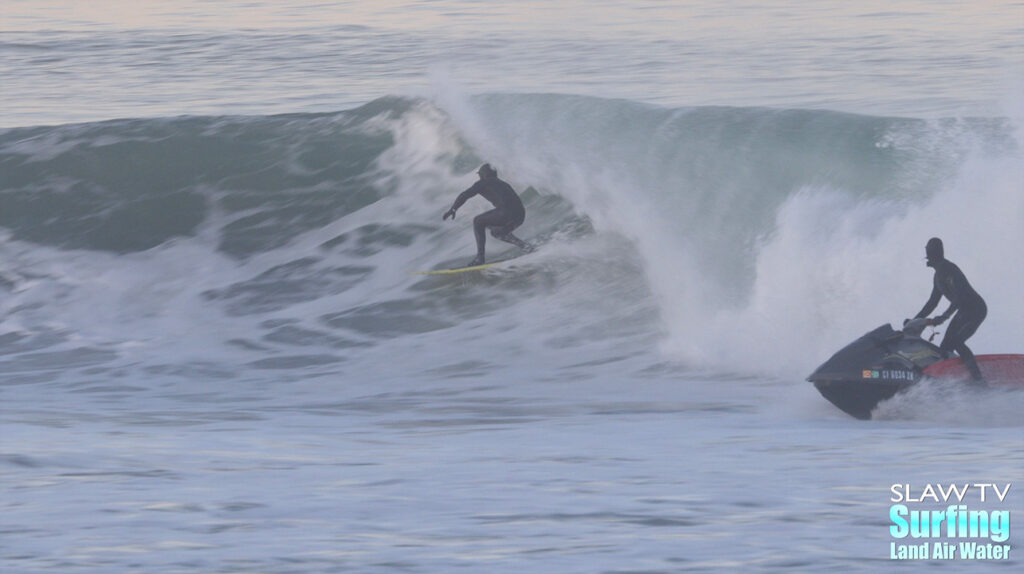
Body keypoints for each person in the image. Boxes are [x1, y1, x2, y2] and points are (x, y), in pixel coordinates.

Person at [912, 237, 988, 383]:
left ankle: (978, 380)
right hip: (964, 311)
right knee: (945, 348)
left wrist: (944, 317)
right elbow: (932, 303)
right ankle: (954, 379)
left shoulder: (949, 270)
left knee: (957, 342)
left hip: (976, 309)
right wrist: (915, 320)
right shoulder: (938, 275)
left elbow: (958, 299)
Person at [443, 163, 532, 267]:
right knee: (496, 232)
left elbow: (465, 195)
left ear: (484, 175)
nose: (479, 177)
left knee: (478, 221)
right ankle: (525, 246)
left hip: (506, 213)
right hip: (520, 215)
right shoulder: (503, 183)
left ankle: (480, 258)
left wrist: (453, 209)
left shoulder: (483, 183)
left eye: (480, 174)